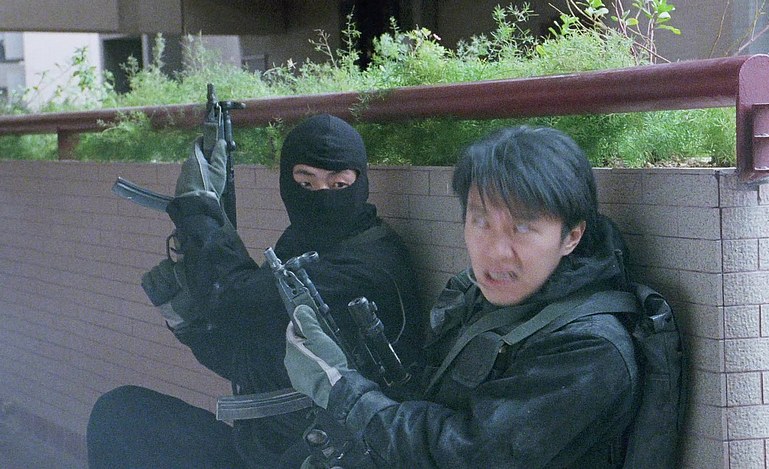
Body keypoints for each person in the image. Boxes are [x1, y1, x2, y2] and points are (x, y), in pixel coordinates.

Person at [283, 125, 641, 468]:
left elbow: (464, 454)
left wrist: (342, 391)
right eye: (481, 222)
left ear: (571, 237)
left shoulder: (589, 350)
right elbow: (429, 401)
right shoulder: (480, 298)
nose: (496, 252)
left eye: (522, 227)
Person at [87, 114, 424, 468]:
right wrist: (191, 325)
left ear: (361, 182)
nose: (322, 197)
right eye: (305, 183)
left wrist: (199, 209)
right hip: (272, 450)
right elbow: (251, 354)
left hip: (333, 457)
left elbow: (237, 301)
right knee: (121, 415)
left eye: (339, 184)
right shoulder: (304, 242)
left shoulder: (371, 266)